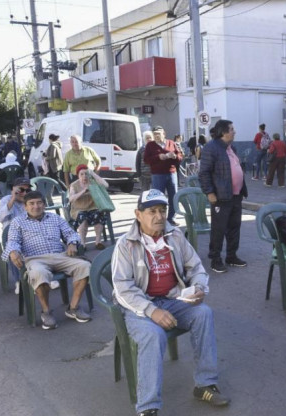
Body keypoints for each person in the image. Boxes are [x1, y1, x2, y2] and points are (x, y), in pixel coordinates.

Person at [112, 189, 230, 416]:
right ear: (138, 214)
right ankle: (148, 407)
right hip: (139, 307)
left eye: (162, 210)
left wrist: (198, 287)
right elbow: (122, 288)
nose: (158, 216)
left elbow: (195, 267)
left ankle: (205, 384)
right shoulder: (126, 244)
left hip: (172, 299)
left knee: (203, 313)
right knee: (153, 335)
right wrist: (151, 310)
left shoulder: (174, 236)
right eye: (152, 211)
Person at [3, 190, 92, 330]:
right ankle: (46, 312)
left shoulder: (55, 218)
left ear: (44, 205)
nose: (35, 206)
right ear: (25, 207)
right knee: (39, 273)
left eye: (39, 203)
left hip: (60, 256)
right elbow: (12, 241)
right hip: (35, 259)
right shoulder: (18, 222)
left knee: (85, 266)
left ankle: (73, 308)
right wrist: (13, 252)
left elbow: (71, 233)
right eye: (31, 203)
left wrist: (72, 243)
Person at [198, 119, 248, 273]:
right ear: (224, 132)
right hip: (221, 196)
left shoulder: (231, 147)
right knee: (219, 229)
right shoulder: (211, 148)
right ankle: (215, 259)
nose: (234, 131)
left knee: (234, 227)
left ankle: (231, 256)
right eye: (232, 129)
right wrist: (210, 192)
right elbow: (204, 173)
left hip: (235, 195)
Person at [144, 126, 183, 227]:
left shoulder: (171, 143)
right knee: (158, 197)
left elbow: (180, 157)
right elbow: (146, 160)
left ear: (164, 134)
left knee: (173, 196)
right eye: (155, 134)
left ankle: (171, 218)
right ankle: (159, 219)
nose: (156, 136)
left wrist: (175, 157)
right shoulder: (150, 145)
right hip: (157, 174)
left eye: (158, 133)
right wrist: (158, 157)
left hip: (171, 173)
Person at [68, 164, 110, 250]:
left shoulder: (92, 182)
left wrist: (93, 174)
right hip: (78, 209)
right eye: (82, 174)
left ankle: (98, 241)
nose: (84, 176)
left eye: (86, 174)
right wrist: (83, 191)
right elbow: (71, 199)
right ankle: (83, 243)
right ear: (78, 175)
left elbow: (106, 185)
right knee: (83, 218)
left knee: (99, 214)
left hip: (92, 208)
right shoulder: (74, 185)